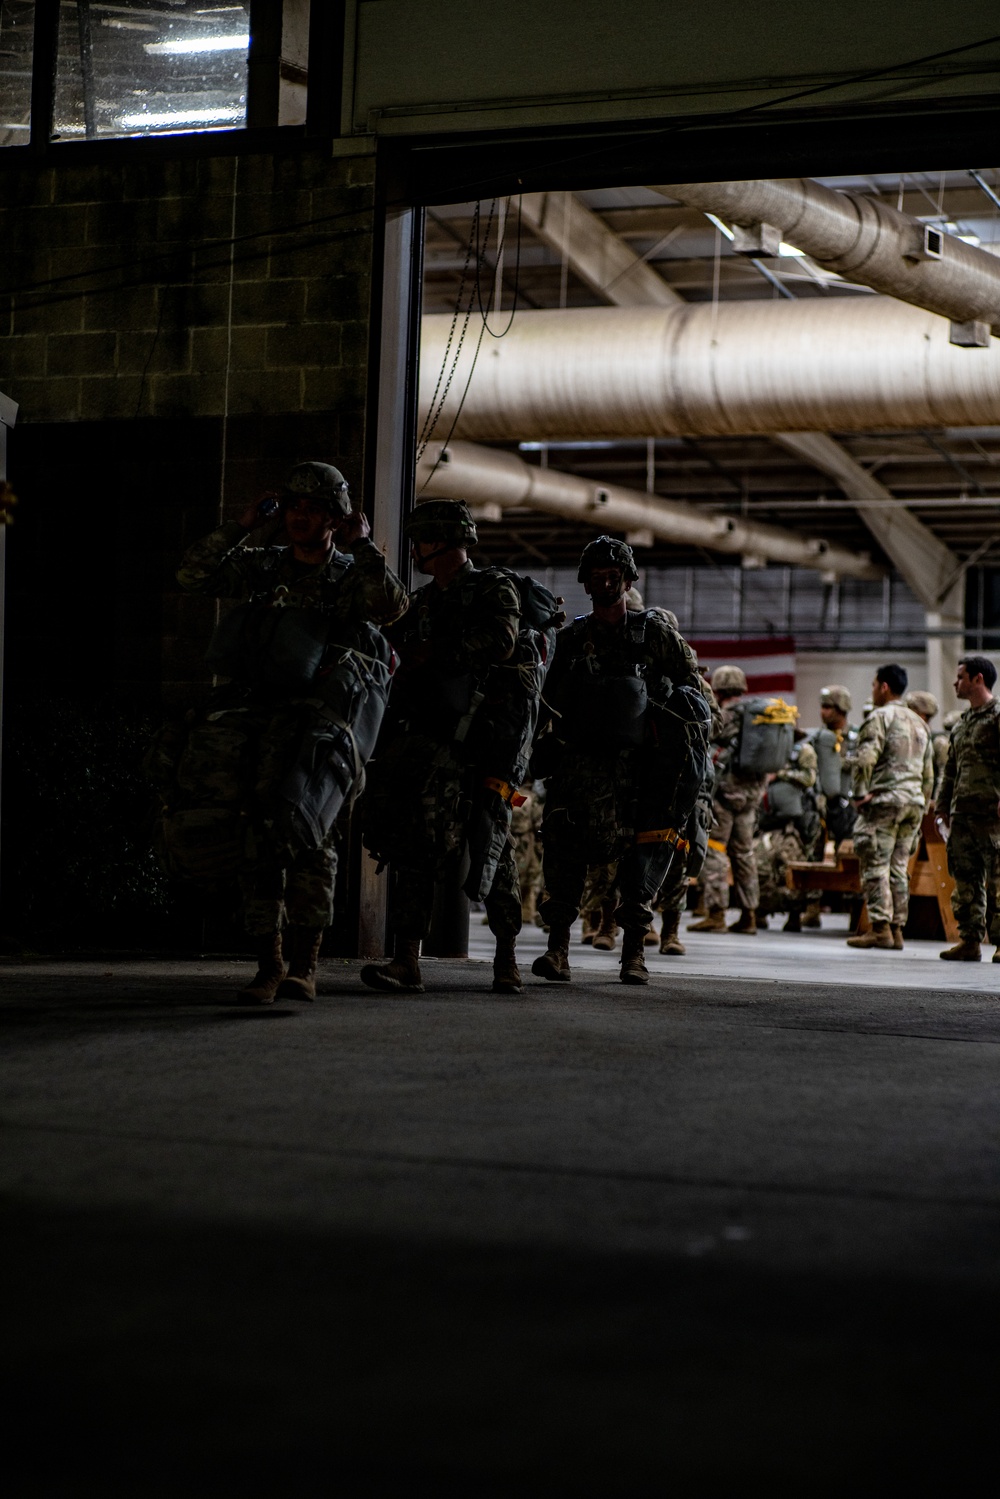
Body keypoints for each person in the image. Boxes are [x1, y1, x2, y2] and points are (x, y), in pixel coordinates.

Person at [173, 461, 408, 1002]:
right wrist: (242, 526)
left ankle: (306, 964)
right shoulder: (264, 565)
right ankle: (268, 964)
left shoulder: (350, 576)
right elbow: (193, 575)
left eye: (315, 510)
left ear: (336, 518)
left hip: (318, 731)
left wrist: (365, 546)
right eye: (294, 507)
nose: (301, 518)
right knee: (256, 841)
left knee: (310, 842)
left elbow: (393, 607)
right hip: (255, 722)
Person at [360, 499, 539, 996]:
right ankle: (405, 961)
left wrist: (436, 651)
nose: (415, 549)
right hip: (432, 738)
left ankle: (506, 958)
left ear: (441, 539)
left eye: (419, 539)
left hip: (484, 740)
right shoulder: (424, 601)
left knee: (491, 845)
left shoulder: (492, 586)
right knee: (415, 843)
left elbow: (503, 640)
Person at [530, 536, 706, 986]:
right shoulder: (570, 641)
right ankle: (558, 951)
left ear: (628, 581)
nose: (606, 582)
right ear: (585, 583)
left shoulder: (656, 635)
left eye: (614, 575)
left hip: (640, 768)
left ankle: (633, 955)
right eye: (597, 575)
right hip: (580, 766)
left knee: (641, 860)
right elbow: (543, 702)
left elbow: (694, 695)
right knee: (564, 851)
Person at [845, 663, 933, 952]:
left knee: (875, 863)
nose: (873, 690)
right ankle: (896, 930)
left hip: (885, 801)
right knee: (898, 866)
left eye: (873, 685)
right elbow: (929, 773)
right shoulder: (919, 722)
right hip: (913, 803)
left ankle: (880, 928)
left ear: (883, 686)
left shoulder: (880, 717)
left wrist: (859, 795)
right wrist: (920, 799)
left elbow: (865, 759)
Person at [689, 665, 768, 935]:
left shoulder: (728, 714)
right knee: (744, 854)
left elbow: (707, 735)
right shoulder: (755, 716)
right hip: (750, 797)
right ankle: (749, 916)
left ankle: (716, 913)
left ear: (719, 689)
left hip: (725, 797)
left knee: (715, 850)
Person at [936, 655, 1000, 962]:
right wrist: (942, 805)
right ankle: (970, 940)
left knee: (998, 880)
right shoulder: (961, 725)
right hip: (962, 815)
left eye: (960, 676)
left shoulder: (997, 716)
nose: (955, 682)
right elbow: (950, 769)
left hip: (992, 816)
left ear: (978, 679)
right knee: (965, 879)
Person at [800, 684, 859, 929]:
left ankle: (856, 911)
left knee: (852, 856)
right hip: (821, 805)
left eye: (828, 707)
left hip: (848, 805)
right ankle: (812, 908)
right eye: (822, 707)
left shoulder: (857, 737)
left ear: (841, 709)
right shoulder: (816, 739)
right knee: (812, 851)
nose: (823, 712)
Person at [754, 732, 820, 932]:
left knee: (792, 868)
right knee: (760, 866)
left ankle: (795, 915)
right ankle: (760, 912)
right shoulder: (769, 752)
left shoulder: (803, 751)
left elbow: (809, 778)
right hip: (768, 821)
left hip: (795, 824)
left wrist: (781, 774)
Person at [905, 690, 946, 803]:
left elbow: (942, 777)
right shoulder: (906, 738)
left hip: (926, 803)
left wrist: (937, 805)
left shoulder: (937, 742)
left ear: (922, 715)